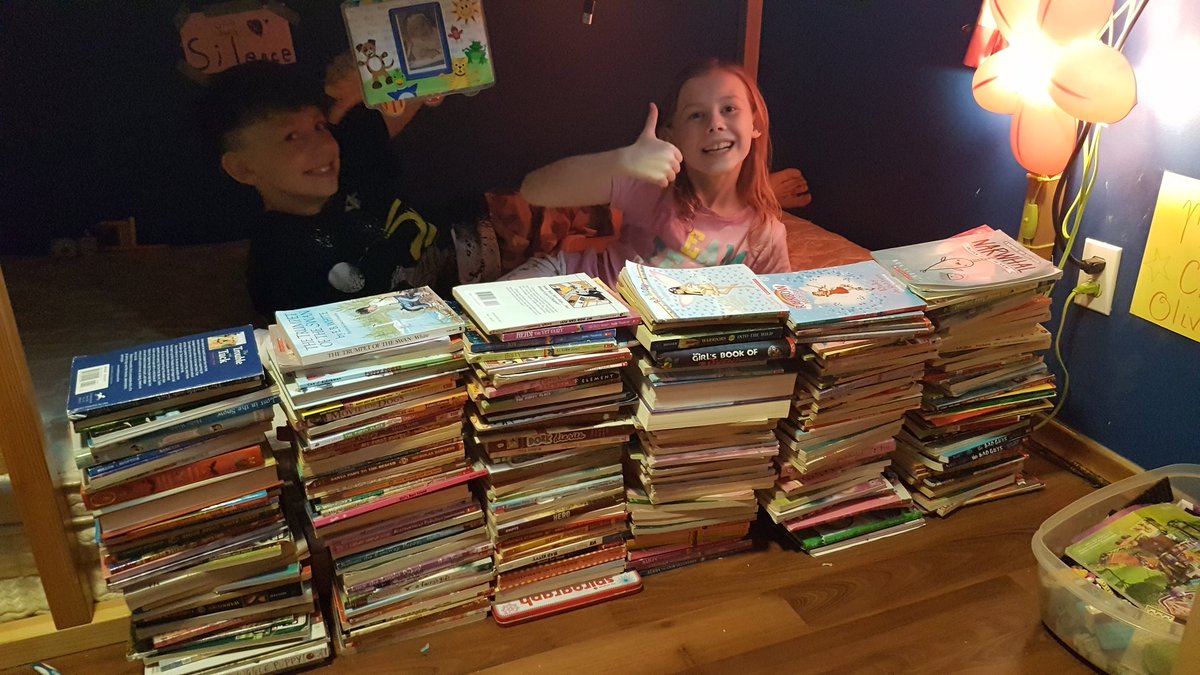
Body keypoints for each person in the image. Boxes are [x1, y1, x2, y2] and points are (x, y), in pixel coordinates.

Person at [197, 58, 457, 320]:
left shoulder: (348, 153)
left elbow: (435, 75)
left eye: (319, 126)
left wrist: (378, 80)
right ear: (243, 168)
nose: (322, 145)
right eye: (292, 137)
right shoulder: (281, 262)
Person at [505, 58, 796, 287]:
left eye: (729, 108)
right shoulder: (655, 187)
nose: (715, 124)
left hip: (645, 343)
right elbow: (534, 189)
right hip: (574, 286)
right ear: (671, 136)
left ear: (755, 123)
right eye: (696, 114)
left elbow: (779, 318)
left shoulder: (765, 236)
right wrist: (622, 161)